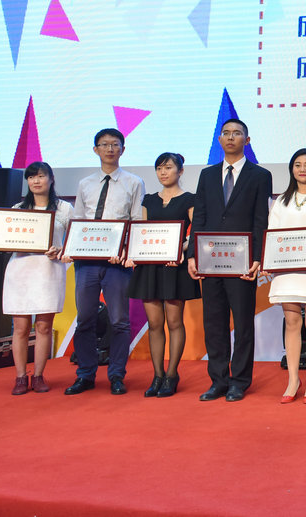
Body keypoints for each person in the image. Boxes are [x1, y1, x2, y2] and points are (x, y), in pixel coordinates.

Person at [187, 119, 272, 402]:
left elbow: (260, 219)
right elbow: (200, 216)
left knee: (243, 324)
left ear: (247, 140)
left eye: (237, 133)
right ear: (219, 139)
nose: (231, 137)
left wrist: (258, 257)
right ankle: (218, 381)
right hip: (210, 261)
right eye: (226, 133)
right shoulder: (207, 175)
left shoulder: (260, 176)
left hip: (242, 262)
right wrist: (192, 254)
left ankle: (240, 381)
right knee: (214, 323)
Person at [64, 128, 146, 396]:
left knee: (119, 320)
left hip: (116, 262)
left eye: (115, 144)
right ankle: (85, 374)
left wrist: (125, 251)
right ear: (95, 149)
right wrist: (72, 249)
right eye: (104, 144)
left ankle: (117, 375)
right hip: (86, 261)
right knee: (85, 319)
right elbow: (78, 221)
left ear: (123, 149)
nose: (110, 149)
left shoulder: (134, 182)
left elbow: (135, 221)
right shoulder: (85, 184)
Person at [0, 162, 74, 395]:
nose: (36, 181)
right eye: (31, 177)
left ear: (51, 179)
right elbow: (5, 242)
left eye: (41, 176)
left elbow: (75, 241)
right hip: (21, 271)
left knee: (44, 326)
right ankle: (20, 377)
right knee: (20, 327)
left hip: (49, 270)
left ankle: (39, 375)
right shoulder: (17, 209)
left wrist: (61, 251)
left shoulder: (64, 208)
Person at [126, 153, 198, 398]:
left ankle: (171, 374)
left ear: (180, 171)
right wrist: (134, 253)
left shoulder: (190, 199)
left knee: (174, 322)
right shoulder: (148, 200)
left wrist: (181, 249)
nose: (163, 172)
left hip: (175, 267)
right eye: (159, 168)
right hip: (150, 268)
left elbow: (195, 233)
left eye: (168, 167)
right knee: (155, 324)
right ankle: (157, 375)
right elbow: (142, 232)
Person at [266, 149, 306, 404]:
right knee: (292, 322)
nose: (302, 169)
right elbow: (272, 232)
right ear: (291, 169)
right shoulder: (281, 200)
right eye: (297, 165)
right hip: (286, 268)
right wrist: (270, 261)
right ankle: (293, 379)